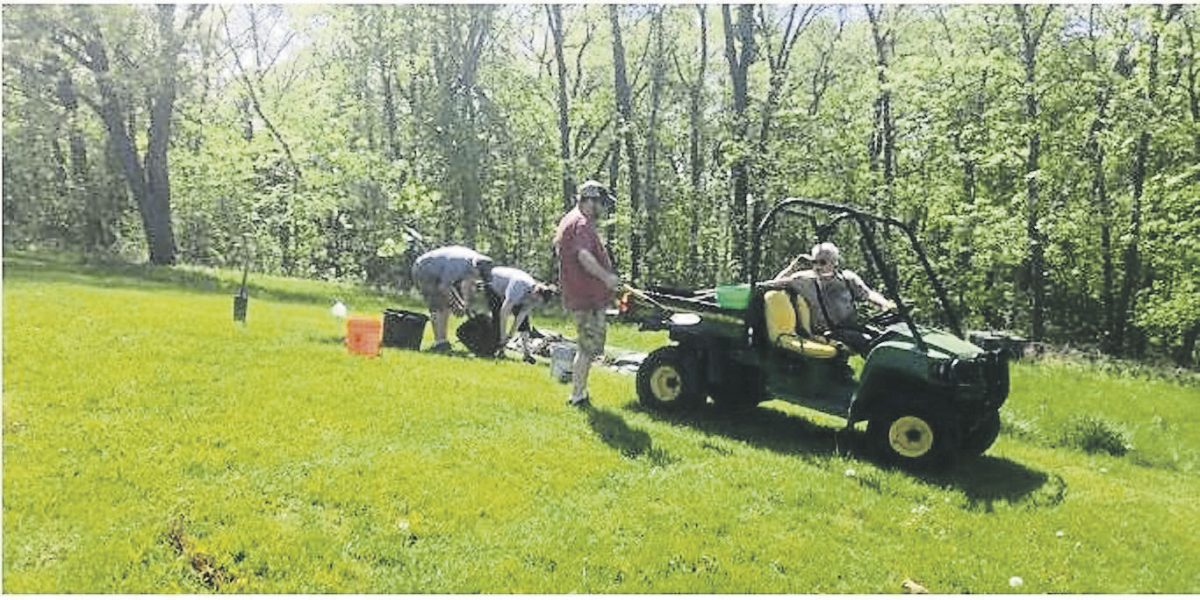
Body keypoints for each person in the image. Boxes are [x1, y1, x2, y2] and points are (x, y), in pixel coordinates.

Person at [554, 180, 621, 408]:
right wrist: (607, 277)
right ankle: (577, 395)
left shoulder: (571, 220)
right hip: (586, 297)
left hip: (583, 295)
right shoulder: (581, 224)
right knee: (587, 347)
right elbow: (583, 256)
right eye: (602, 203)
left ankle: (577, 389)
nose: (603, 209)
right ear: (590, 201)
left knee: (587, 345)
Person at [766, 241, 896, 355]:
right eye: (814, 262)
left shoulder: (847, 278)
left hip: (851, 325)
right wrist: (793, 267)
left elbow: (868, 294)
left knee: (886, 337)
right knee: (869, 343)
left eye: (822, 262)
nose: (817, 266)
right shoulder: (804, 280)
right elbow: (773, 283)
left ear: (834, 263)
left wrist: (885, 304)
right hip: (828, 331)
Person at [411, 245, 494, 353]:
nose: (477, 278)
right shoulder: (459, 264)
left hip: (441, 275)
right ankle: (440, 344)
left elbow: (468, 284)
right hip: (424, 269)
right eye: (478, 275)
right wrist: (457, 305)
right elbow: (444, 287)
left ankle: (442, 342)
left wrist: (465, 304)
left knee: (447, 304)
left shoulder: (477, 263)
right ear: (475, 268)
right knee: (439, 305)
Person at [485, 265, 556, 363]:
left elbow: (521, 316)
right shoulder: (519, 285)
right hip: (493, 283)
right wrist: (503, 336)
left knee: (525, 323)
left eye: (538, 302)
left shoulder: (534, 298)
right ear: (535, 292)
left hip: (511, 293)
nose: (535, 302)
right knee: (497, 317)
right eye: (536, 299)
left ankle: (526, 353)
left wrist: (510, 335)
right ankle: (493, 349)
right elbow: (504, 311)